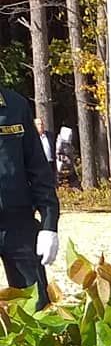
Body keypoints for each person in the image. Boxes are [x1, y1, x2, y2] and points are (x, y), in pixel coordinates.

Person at [0, 85, 58, 308]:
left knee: (37, 309)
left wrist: (49, 224)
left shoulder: (15, 105)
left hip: (19, 225)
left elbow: (38, 170)